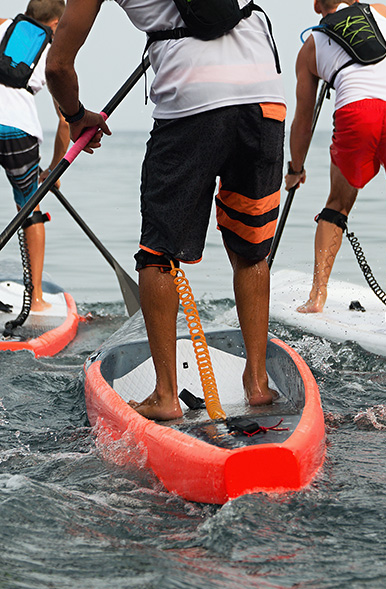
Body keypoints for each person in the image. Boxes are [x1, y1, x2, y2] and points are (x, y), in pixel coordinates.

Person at [46, 0, 286, 419]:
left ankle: (165, 396)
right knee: (251, 249)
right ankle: (259, 383)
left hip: (191, 102)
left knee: (158, 255)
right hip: (264, 96)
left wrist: (75, 115)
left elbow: (57, 67)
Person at [285, 0, 386, 313]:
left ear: (316, 5)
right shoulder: (381, 12)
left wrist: (295, 168)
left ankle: (317, 298)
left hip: (357, 109)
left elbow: (303, 121)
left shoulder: (311, 47)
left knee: (338, 204)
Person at [0, 0, 69, 312]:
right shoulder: (53, 52)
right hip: (18, 131)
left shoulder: (3, 25)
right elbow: (66, 121)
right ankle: (37, 299)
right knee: (30, 208)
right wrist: (53, 171)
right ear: (56, 24)